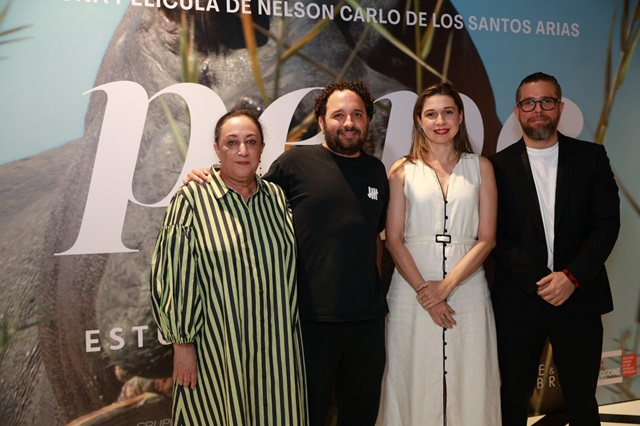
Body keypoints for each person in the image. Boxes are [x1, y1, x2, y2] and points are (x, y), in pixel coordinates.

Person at [186, 81, 389, 425]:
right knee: (305, 416)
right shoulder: (295, 162)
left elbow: (376, 238)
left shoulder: (376, 171)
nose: (348, 123)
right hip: (309, 322)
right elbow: (248, 189)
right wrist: (212, 175)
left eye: (357, 114)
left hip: (367, 322)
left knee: (362, 416)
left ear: (368, 120)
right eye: (338, 115)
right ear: (321, 121)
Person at [150, 110, 308, 425]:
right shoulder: (191, 200)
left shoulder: (277, 199)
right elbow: (174, 275)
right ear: (217, 149)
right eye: (232, 142)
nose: (242, 151)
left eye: (251, 142)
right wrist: (182, 345)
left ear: (262, 148)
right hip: (219, 353)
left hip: (279, 352)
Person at [490, 72, 620, 425]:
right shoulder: (496, 166)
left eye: (546, 101)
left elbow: (607, 225)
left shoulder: (591, 158)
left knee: (581, 398)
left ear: (560, 107)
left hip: (579, 297)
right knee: (512, 396)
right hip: (519, 300)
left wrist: (571, 277)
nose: (538, 110)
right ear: (517, 111)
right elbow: (493, 234)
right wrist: (540, 280)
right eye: (529, 103)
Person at [377, 82, 500, 425]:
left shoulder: (481, 167)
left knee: (472, 376)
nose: (440, 121)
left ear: (460, 117)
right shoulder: (402, 169)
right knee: (409, 376)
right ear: (419, 120)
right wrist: (425, 292)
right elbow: (394, 239)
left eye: (448, 112)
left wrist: (444, 288)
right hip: (410, 289)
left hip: (468, 288)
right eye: (431, 114)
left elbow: (487, 238)